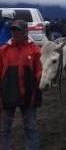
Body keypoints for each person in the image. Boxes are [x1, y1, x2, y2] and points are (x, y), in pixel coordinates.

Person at [0, 20, 42, 149]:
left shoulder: (35, 49)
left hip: (29, 96)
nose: (16, 33)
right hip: (7, 96)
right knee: (3, 131)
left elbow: (39, 69)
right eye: (13, 30)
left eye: (19, 30)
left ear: (26, 31)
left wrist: (43, 78)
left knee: (31, 129)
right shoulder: (3, 51)